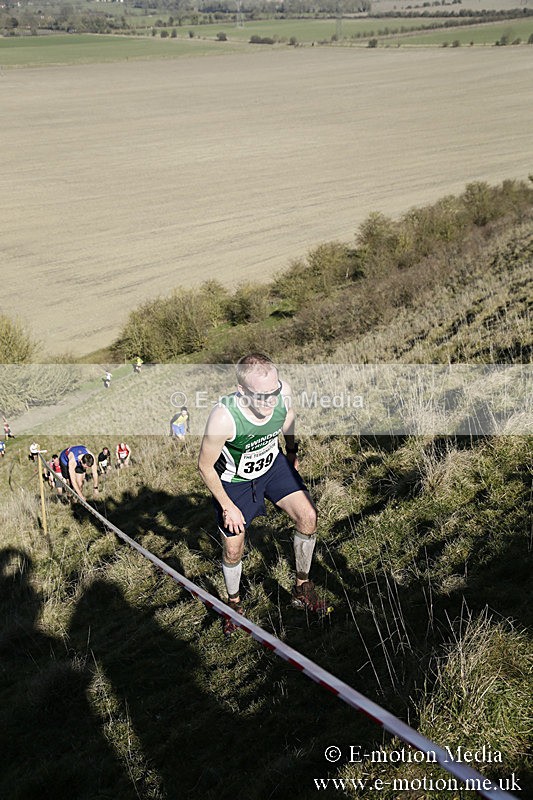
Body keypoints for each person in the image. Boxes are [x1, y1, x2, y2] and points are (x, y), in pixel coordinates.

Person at [198, 353, 328, 637]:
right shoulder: (223, 418)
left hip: (272, 467)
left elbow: (289, 417)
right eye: (261, 396)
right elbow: (204, 467)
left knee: (308, 516)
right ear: (242, 391)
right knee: (234, 549)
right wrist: (227, 506)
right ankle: (234, 605)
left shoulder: (282, 393)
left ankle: (302, 587)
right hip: (235, 483)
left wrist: (291, 451)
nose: (270, 401)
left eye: (274, 391)